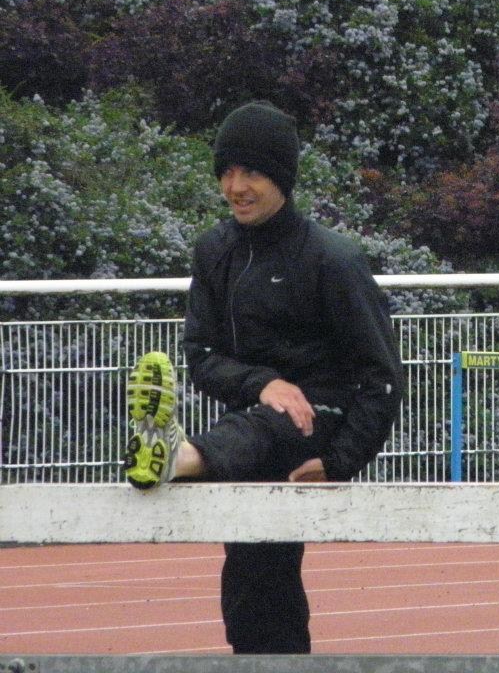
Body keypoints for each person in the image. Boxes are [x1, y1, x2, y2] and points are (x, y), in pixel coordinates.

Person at [122, 100, 403, 654]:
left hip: (320, 420)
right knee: (253, 582)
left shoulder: (334, 259)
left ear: (282, 177)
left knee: (275, 426)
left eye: (250, 172)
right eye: (226, 172)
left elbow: (383, 376)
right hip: (248, 429)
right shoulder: (214, 250)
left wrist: (341, 461)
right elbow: (201, 355)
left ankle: (178, 456)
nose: (235, 187)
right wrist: (261, 384)